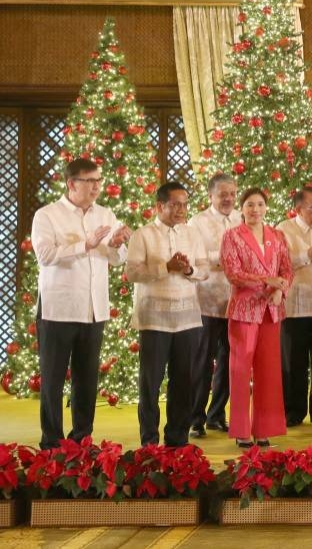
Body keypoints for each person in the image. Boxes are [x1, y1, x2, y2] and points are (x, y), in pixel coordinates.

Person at [31, 157, 131, 449]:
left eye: (99, 181)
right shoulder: (47, 215)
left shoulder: (106, 213)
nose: (97, 187)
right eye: (90, 181)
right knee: (52, 378)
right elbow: (45, 256)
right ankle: (51, 442)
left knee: (86, 378)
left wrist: (115, 245)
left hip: (93, 308)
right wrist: (84, 244)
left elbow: (117, 259)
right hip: (58, 308)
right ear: (72, 183)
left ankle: (82, 439)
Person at [125, 182, 208, 447]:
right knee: (150, 383)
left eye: (185, 204)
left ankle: (177, 439)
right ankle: (149, 441)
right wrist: (166, 267)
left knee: (183, 382)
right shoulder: (143, 234)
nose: (182, 210)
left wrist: (187, 270)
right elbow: (133, 273)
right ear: (160, 206)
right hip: (154, 319)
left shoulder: (193, 234)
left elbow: (204, 269)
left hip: (188, 319)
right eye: (175, 205)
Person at [221, 188, 293, 448]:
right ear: (241, 209)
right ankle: (241, 430)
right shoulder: (232, 236)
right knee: (240, 370)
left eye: (260, 204)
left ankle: (264, 428)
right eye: (250, 205)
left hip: (271, 311)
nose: (255, 210)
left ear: (266, 207)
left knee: (269, 370)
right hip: (244, 310)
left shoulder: (277, 235)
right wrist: (267, 281)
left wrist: (279, 289)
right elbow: (233, 273)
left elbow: (287, 269)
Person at [278, 187, 312, 428]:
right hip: (294, 307)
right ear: (299, 209)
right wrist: (310, 252)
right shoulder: (284, 229)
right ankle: (293, 411)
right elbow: (281, 263)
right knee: (294, 362)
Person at [188, 174, 239, 439]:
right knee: (202, 363)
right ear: (211, 196)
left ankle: (216, 415)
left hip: (237, 303)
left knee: (230, 363)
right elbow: (194, 256)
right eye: (223, 194)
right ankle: (195, 418)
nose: (228, 198)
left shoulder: (242, 218)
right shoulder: (198, 222)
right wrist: (226, 260)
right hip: (206, 301)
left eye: (232, 193)